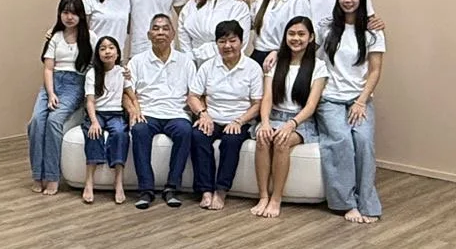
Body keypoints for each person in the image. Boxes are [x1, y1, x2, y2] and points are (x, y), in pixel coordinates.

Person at [316, 0, 385, 224]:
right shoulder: (327, 29)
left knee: (364, 141)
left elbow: (375, 71)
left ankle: (367, 202)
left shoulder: (373, 32)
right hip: (330, 99)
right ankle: (345, 203)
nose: (348, 0)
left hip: (359, 99)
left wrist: (361, 101)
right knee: (341, 140)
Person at [251, 16, 327, 220]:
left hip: (301, 121)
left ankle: (276, 199)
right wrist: (265, 123)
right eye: (291, 34)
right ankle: (263, 196)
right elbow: (267, 98)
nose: (296, 38)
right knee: (263, 138)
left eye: (301, 34)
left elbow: (311, 106)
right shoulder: (275, 62)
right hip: (273, 116)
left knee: (282, 141)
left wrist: (291, 124)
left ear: (311, 37)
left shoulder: (318, 66)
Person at [187, 20, 263, 210]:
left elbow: (257, 104)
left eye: (232, 40)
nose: (227, 46)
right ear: (216, 44)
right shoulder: (208, 66)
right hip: (212, 118)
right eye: (222, 41)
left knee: (231, 140)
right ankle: (205, 191)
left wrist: (239, 120)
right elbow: (193, 96)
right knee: (198, 135)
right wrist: (203, 114)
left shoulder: (252, 68)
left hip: (240, 120)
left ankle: (221, 191)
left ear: (241, 42)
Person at [124, 13, 196, 208]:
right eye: (156, 28)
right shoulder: (137, 61)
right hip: (147, 112)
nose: (160, 32)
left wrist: (200, 113)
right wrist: (133, 111)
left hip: (177, 113)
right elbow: (126, 93)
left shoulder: (186, 61)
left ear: (173, 34)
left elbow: (194, 94)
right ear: (149, 34)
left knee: (185, 131)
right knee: (139, 130)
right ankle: (146, 190)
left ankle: (172, 187)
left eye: (165, 28)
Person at [28, 0, 91, 194]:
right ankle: (38, 175)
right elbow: (48, 69)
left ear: (81, 15)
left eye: (74, 13)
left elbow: (97, 64)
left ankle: (52, 176)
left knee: (54, 121)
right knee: (36, 121)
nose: (69, 17)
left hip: (74, 84)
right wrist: (51, 93)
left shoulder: (90, 37)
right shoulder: (55, 37)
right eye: (65, 12)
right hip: (52, 83)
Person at [178, 0, 252, 69]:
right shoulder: (195, 2)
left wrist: (204, 55)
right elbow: (182, 28)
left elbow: (239, 43)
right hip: (192, 64)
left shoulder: (239, 6)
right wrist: (189, 57)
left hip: (224, 66)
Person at [81, 35, 130, 205]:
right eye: (102, 49)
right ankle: (89, 182)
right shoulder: (92, 73)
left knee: (120, 134)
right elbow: (90, 101)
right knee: (94, 133)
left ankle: (118, 182)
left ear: (117, 52)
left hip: (116, 113)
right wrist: (94, 122)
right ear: (98, 54)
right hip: (97, 113)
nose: (107, 51)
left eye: (111, 48)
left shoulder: (123, 72)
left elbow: (131, 94)